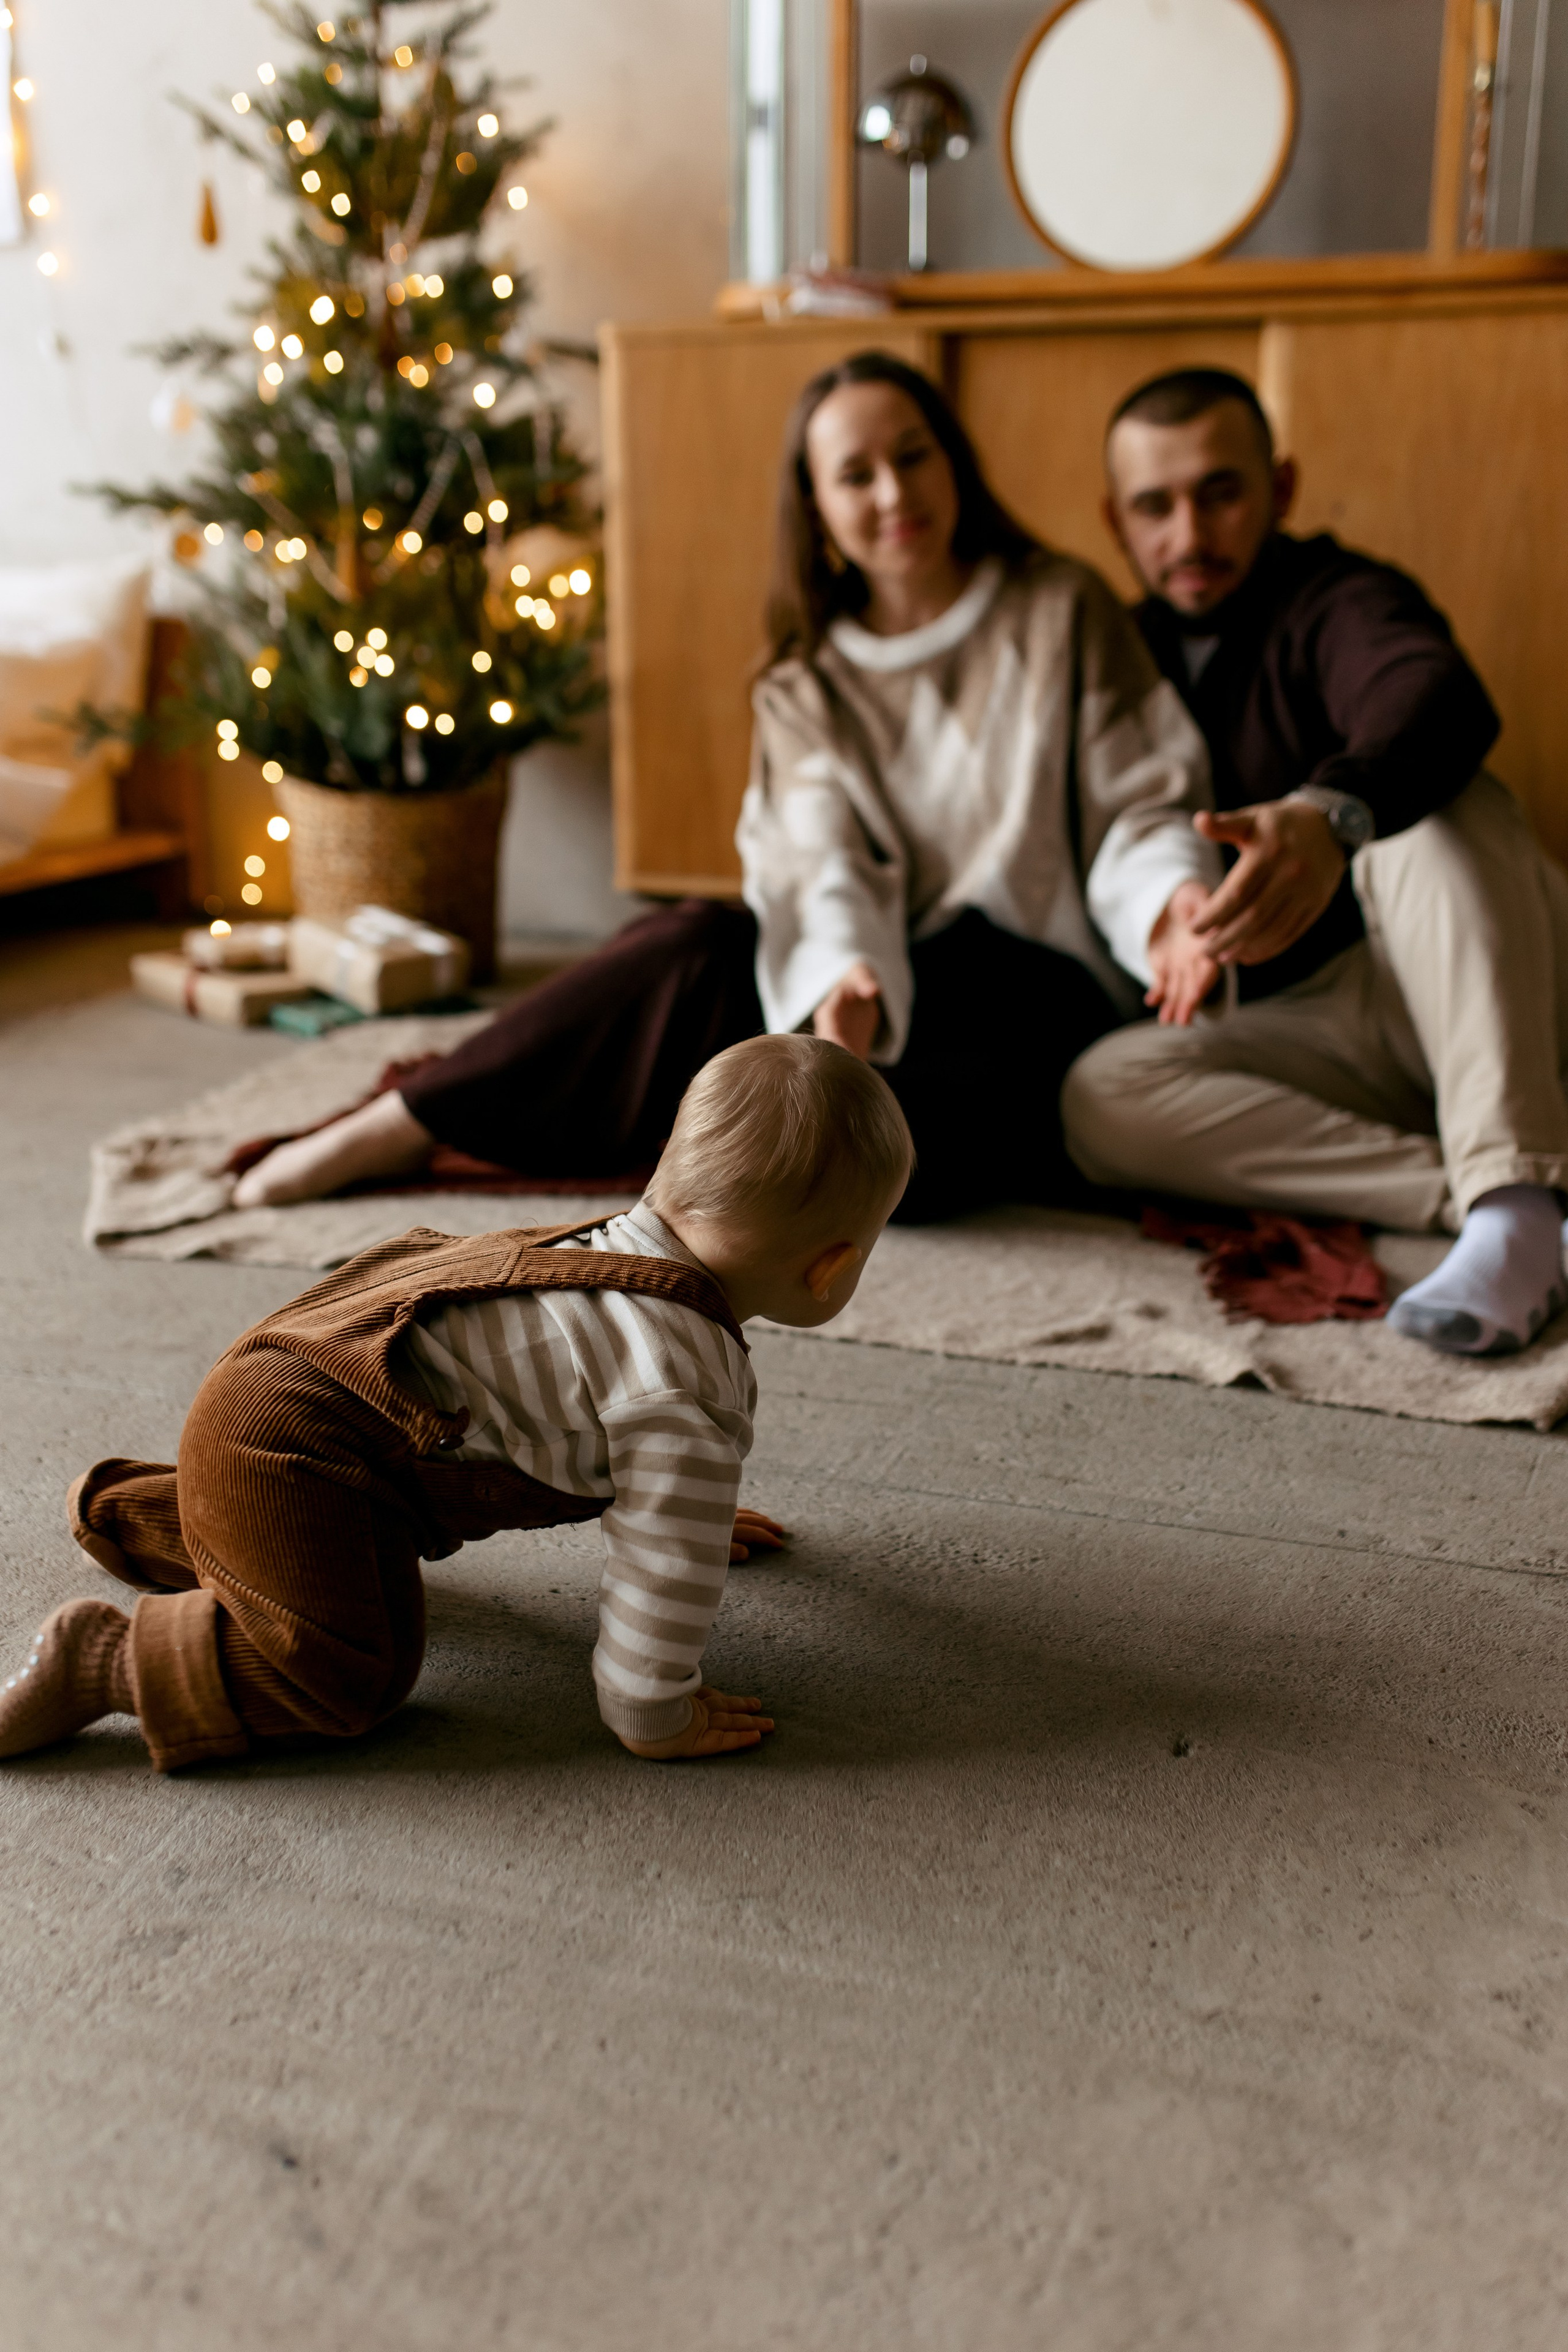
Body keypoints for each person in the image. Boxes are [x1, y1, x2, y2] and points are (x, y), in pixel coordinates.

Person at [234, 349, 1216, 1226]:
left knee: (895, 1164)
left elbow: (1140, 790)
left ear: (953, 460)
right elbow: (816, 853)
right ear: (817, 507)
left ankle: (697, 1117)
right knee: (686, 943)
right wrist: (844, 976)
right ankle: (404, 1122)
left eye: (913, 456)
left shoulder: (1060, 607)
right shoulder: (806, 681)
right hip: (864, 977)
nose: (892, 493)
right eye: (854, 475)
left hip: (1022, 981)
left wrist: (1168, 904)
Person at [0, 1033, 913, 1770]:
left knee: (312, 1521)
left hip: (276, 1388)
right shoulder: (686, 1384)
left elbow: (646, 1472)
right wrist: (652, 1707)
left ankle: (138, 1517)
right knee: (351, 1676)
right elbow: (665, 1568)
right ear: (831, 1268)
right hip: (304, 1450)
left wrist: (691, 1496)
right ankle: (103, 1664)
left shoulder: (606, 1247)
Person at [1062, 367, 1568, 1357]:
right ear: (1114, 520)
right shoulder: (1115, 653)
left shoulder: (1340, 597)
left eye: (1221, 492)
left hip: (1474, 978)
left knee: (1432, 809)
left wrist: (1326, 815)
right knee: (1101, 1096)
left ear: (1281, 490)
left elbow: (1432, 695)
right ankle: (1503, 1203)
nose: (1189, 533)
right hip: (1324, 1032)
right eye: (1154, 506)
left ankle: (1513, 1199)